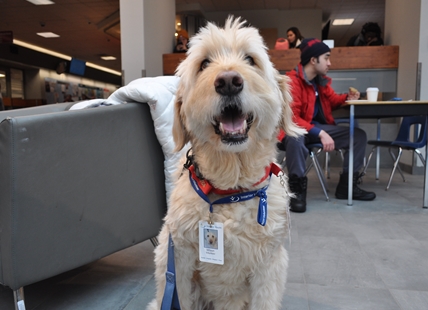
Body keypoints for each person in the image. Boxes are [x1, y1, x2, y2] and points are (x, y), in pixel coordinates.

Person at [282, 38, 376, 213]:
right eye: (326, 58)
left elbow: (331, 100)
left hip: (314, 129)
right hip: (295, 130)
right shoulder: (292, 81)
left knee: (358, 136)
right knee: (295, 137)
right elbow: (292, 118)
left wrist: (346, 98)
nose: (329, 63)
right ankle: (297, 192)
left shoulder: (321, 81)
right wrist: (320, 133)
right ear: (313, 60)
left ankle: (347, 187)